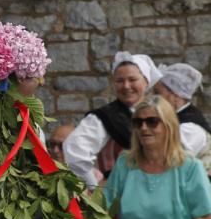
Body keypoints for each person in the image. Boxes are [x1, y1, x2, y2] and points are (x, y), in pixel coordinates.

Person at [64, 52, 208, 189]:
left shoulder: (162, 114)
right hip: (119, 200)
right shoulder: (104, 117)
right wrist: (93, 187)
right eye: (120, 80)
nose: (126, 86)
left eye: (132, 80)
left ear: (146, 82)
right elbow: (75, 152)